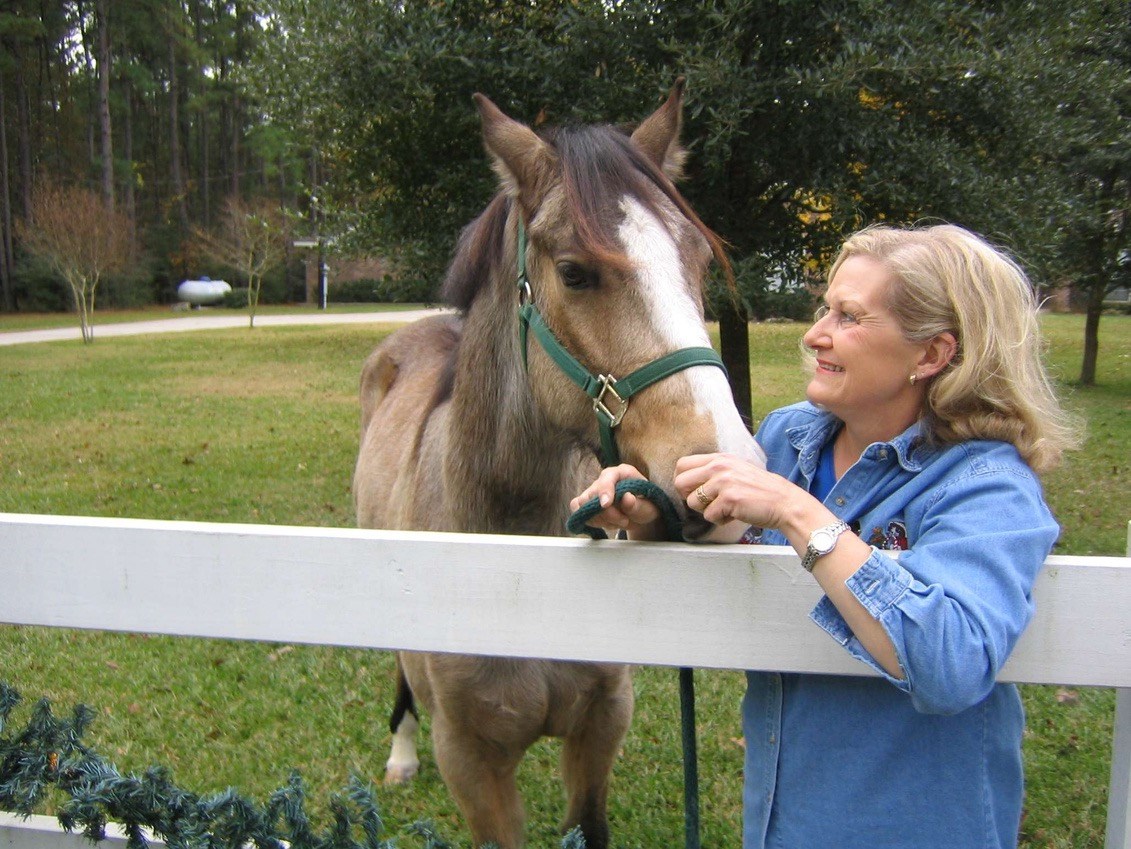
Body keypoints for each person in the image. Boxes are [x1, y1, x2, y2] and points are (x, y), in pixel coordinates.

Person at [571, 223, 1081, 848]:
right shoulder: (790, 437)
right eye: (824, 309)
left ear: (931, 354)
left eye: (850, 317)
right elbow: (725, 539)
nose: (815, 335)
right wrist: (652, 514)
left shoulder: (987, 484)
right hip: (782, 823)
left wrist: (798, 513)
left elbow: (951, 665)